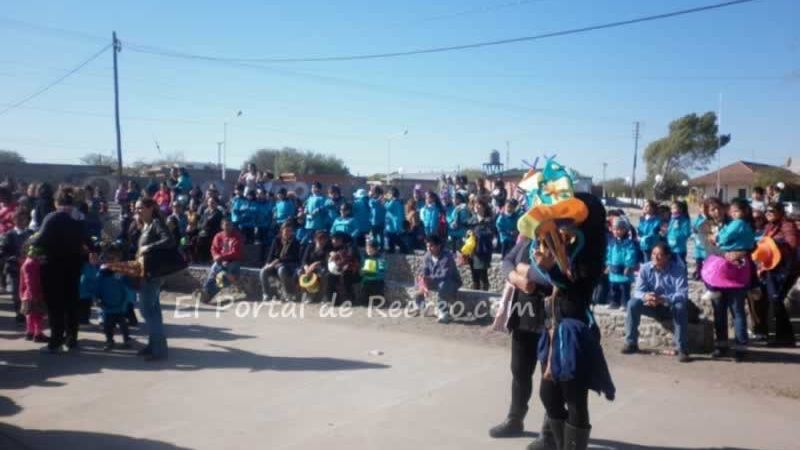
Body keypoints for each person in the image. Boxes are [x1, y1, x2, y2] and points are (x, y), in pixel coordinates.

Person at [535, 192, 614, 450]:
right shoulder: (567, 242)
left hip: (574, 328)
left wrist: (552, 269)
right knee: (549, 394)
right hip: (555, 326)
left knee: (575, 398)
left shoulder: (592, 249)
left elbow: (577, 286)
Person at [488, 236, 551, 442]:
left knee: (549, 378)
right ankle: (515, 419)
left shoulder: (560, 244)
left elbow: (554, 279)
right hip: (522, 317)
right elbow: (507, 261)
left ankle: (549, 430)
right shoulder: (527, 242)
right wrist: (517, 277)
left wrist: (527, 271)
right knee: (519, 372)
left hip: (549, 320)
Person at [703, 198, 755, 361]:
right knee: (719, 311)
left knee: (737, 310)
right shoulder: (704, 226)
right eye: (712, 209)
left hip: (736, 269)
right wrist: (726, 254)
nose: (716, 212)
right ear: (707, 212)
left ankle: (741, 346)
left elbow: (752, 244)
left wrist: (742, 251)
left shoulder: (734, 221)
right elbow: (709, 247)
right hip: (719, 271)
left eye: (718, 208)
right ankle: (722, 345)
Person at [622, 243, 691, 362]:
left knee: (680, 307)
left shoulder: (678, 269)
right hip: (651, 305)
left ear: (668, 256)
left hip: (669, 306)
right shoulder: (645, 268)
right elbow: (638, 291)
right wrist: (646, 296)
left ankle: (682, 349)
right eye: (653, 254)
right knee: (632, 303)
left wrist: (663, 299)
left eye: (660, 255)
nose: (655, 257)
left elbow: (682, 294)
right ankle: (631, 343)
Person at [134, 197, 176, 361]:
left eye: (140, 208)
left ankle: (158, 350)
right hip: (148, 273)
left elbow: (169, 240)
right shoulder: (146, 225)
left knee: (147, 312)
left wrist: (148, 247)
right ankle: (156, 346)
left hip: (152, 275)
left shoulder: (156, 224)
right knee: (154, 312)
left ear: (151, 208)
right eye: (136, 208)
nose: (137, 211)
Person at [760, 202, 798, 347]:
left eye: (771, 211)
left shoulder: (787, 225)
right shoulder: (769, 226)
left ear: (780, 212)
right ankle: (783, 337)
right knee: (775, 301)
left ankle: (785, 337)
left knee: (776, 300)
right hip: (772, 268)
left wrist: (776, 245)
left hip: (785, 269)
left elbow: (792, 245)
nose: (768, 213)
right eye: (766, 211)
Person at [414, 235, 462, 323]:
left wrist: (429, 278)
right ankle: (420, 306)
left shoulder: (447, 256)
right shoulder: (427, 256)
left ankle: (443, 313)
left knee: (443, 285)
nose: (429, 248)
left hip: (450, 282)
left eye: (431, 246)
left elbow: (445, 274)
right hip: (434, 280)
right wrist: (423, 279)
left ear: (438, 246)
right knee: (418, 280)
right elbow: (424, 270)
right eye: (427, 246)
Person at [95, 255, 136, 352]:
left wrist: (99, 302)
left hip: (110, 308)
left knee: (109, 326)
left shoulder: (102, 280)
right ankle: (123, 340)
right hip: (116, 308)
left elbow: (97, 294)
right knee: (120, 325)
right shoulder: (117, 279)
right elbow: (125, 293)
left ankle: (111, 341)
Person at [199, 218, 244, 303]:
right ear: (222, 226)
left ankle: (207, 293)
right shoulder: (218, 236)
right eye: (226, 225)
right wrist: (216, 256)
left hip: (233, 262)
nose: (228, 227)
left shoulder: (237, 236)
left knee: (221, 276)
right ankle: (205, 293)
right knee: (214, 273)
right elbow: (213, 249)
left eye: (230, 225)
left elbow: (236, 253)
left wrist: (222, 257)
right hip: (220, 261)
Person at [1, 209, 32, 323]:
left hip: (29, 268)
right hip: (14, 269)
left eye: (23, 219)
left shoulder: (31, 234)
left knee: (28, 291)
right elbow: (3, 253)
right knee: (16, 292)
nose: (20, 221)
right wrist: (15, 259)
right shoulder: (9, 235)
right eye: (18, 219)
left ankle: (28, 313)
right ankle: (19, 313)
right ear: (13, 220)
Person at [260, 222, 301, 301]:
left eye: (289, 231)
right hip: (275, 264)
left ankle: (288, 293)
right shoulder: (276, 240)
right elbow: (271, 254)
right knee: (263, 271)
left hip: (289, 265)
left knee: (281, 270)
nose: (287, 233)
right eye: (286, 231)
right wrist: (268, 264)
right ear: (281, 231)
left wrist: (278, 261)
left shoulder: (295, 242)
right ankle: (266, 294)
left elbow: (293, 257)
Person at [605, 218, 638, 310]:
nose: (616, 231)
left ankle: (624, 303)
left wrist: (628, 265)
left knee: (624, 287)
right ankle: (614, 302)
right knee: (613, 287)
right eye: (615, 229)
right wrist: (608, 263)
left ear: (625, 230)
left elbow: (631, 254)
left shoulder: (629, 243)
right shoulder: (612, 242)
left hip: (624, 268)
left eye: (619, 229)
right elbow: (609, 253)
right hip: (613, 268)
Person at [19, 243, 48, 342]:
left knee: (30, 315)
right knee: (37, 314)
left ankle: (30, 332)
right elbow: (30, 281)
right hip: (33, 293)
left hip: (27, 293)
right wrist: (34, 295)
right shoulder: (31, 264)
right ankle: (38, 333)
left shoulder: (28, 262)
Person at [326, 232, 360, 305]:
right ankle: (333, 300)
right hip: (339, 268)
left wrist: (337, 257)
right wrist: (332, 254)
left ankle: (349, 299)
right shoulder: (336, 247)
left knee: (345, 277)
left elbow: (350, 258)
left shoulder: (350, 246)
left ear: (340, 240)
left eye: (334, 240)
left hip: (351, 269)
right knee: (329, 276)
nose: (332, 242)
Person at [468, 200, 495, 291]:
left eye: (479, 204)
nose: (476, 206)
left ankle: (484, 293)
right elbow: (467, 232)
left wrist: (476, 234)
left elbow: (490, 233)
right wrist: (468, 235)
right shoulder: (472, 220)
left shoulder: (489, 220)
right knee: (474, 273)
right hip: (472, 250)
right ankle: (475, 293)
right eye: (475, 204)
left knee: (483, 272)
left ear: (484, 207)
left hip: (483, 249)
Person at [299, 230, 332, 303]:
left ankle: (323, 296)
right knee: (300, 273)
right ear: (315, 239)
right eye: (319, 238)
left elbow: (327, 261)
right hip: (308, 268)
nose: (321, 240)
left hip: (321, 267)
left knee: (324, 273)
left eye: (324, 238)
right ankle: (307, 296)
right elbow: (304, 260)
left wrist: (316, 263)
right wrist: (306, 267)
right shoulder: (310, 247)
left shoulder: (328, 248)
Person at [196, 196, 224, 263]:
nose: (211, 204)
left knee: (206, 240)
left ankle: (209, 259)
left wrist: (203, 226)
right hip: (204, 232)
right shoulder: (206, 212)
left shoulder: (218, 213)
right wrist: (201, 227)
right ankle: (201, 259)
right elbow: (200, 222)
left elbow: (209, 222)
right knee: (197, 240)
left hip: (213, 232)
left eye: (212, 202)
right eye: (209, 202)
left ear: (216, 203)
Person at [359, 239, 386, 306]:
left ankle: (378, 302)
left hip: (376, 280)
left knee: (377, 289)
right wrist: (361, 272)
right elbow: (361, 268)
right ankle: (365, 302)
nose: (368, 250)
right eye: (367, 248)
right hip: (366, 280)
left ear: (376, 249)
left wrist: (374, 272)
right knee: (364, 293)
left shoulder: (380, 259)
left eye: (371, 249)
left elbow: (382, 271)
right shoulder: (364, 258)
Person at [666, 200, 691, 266]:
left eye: (674, 208)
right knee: (672, 265)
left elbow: (686, 233)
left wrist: (676, 237)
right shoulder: (672, 219)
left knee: (680, 265)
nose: (672, 210)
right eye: (671, 208)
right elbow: (669, 231)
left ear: (680, 209)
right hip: (670, 247)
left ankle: (683, 275)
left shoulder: (684, 220)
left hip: (679, 248)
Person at [78, 252, 100, 325]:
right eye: (93, 259)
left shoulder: (93, 267)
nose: (95, 260)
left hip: (86, 291)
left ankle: (84, 320)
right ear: (90, 259)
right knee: (84, 307)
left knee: (86, 307)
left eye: (96, 259)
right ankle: (83, 321)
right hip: (84, 290)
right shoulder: (87, 267)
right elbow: (93, 278)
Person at [384, 187, 407, 254]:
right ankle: (393, 250)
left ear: (391, 194)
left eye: (388, 194)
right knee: (393, 239)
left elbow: (386, 207)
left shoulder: (393, 202)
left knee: (394, 239)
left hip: (393, 225)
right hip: (397, 224)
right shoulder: (400, 202)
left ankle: (403, 249)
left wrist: (385, 200)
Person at [691, 205, 708, 281]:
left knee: (706, 261)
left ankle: (705, 275)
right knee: (698, 260)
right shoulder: (697, 219)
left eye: (705, 207)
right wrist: (694, 232)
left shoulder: (709, 219)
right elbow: (692, 228)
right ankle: (698, 273)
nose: (703, 209)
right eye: (701, 207)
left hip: (706, 244)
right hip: (698, 243)